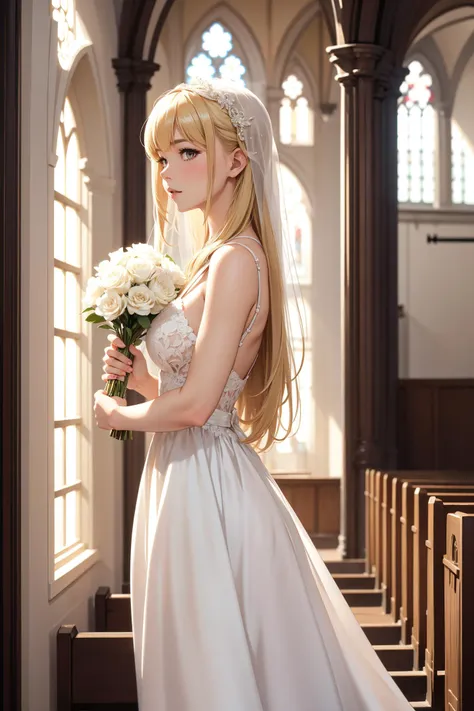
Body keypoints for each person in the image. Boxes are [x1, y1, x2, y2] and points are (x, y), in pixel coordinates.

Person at [93, 79, 412, 710]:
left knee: (214, 661)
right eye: (162, 157)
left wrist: (115, 411)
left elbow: (198, 407)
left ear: (237, 160)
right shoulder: (216, 259)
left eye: (186, 153)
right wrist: (139, 378)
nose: (167, 172)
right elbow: (189, 387)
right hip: (185, 473)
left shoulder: (238, 259)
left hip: (205, 483)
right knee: (194, 654)